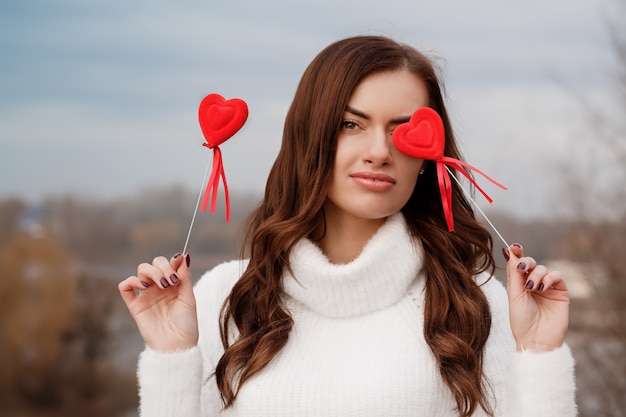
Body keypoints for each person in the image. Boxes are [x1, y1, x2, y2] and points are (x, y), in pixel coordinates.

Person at [118, 35, 576, 417]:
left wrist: (539, 354)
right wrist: (172, 355)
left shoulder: (473, 303)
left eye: (402, 130)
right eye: (351, 124)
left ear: (427, 156)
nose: (380, 150)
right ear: (312, 138)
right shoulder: (225, 297)